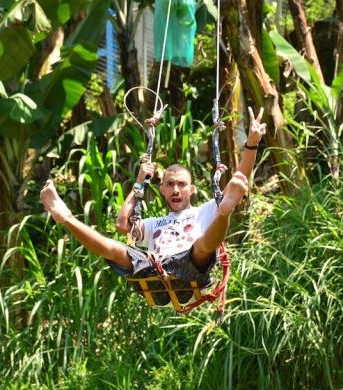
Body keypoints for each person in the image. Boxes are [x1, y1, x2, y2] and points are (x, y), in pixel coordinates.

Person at [40, 107, 266, 291]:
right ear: (162, 190)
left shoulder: (203, 212)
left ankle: (225, 211)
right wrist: (139, 182)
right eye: (170, 184)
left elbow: (240, 178)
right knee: (115, 249)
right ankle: (67, 218)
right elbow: (122, 225)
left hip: (192, 264)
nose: (176, 190)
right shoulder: (154, 223)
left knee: (203, 246)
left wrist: (252, 143)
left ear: (192, 190)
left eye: (181, 184)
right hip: (154, 268)